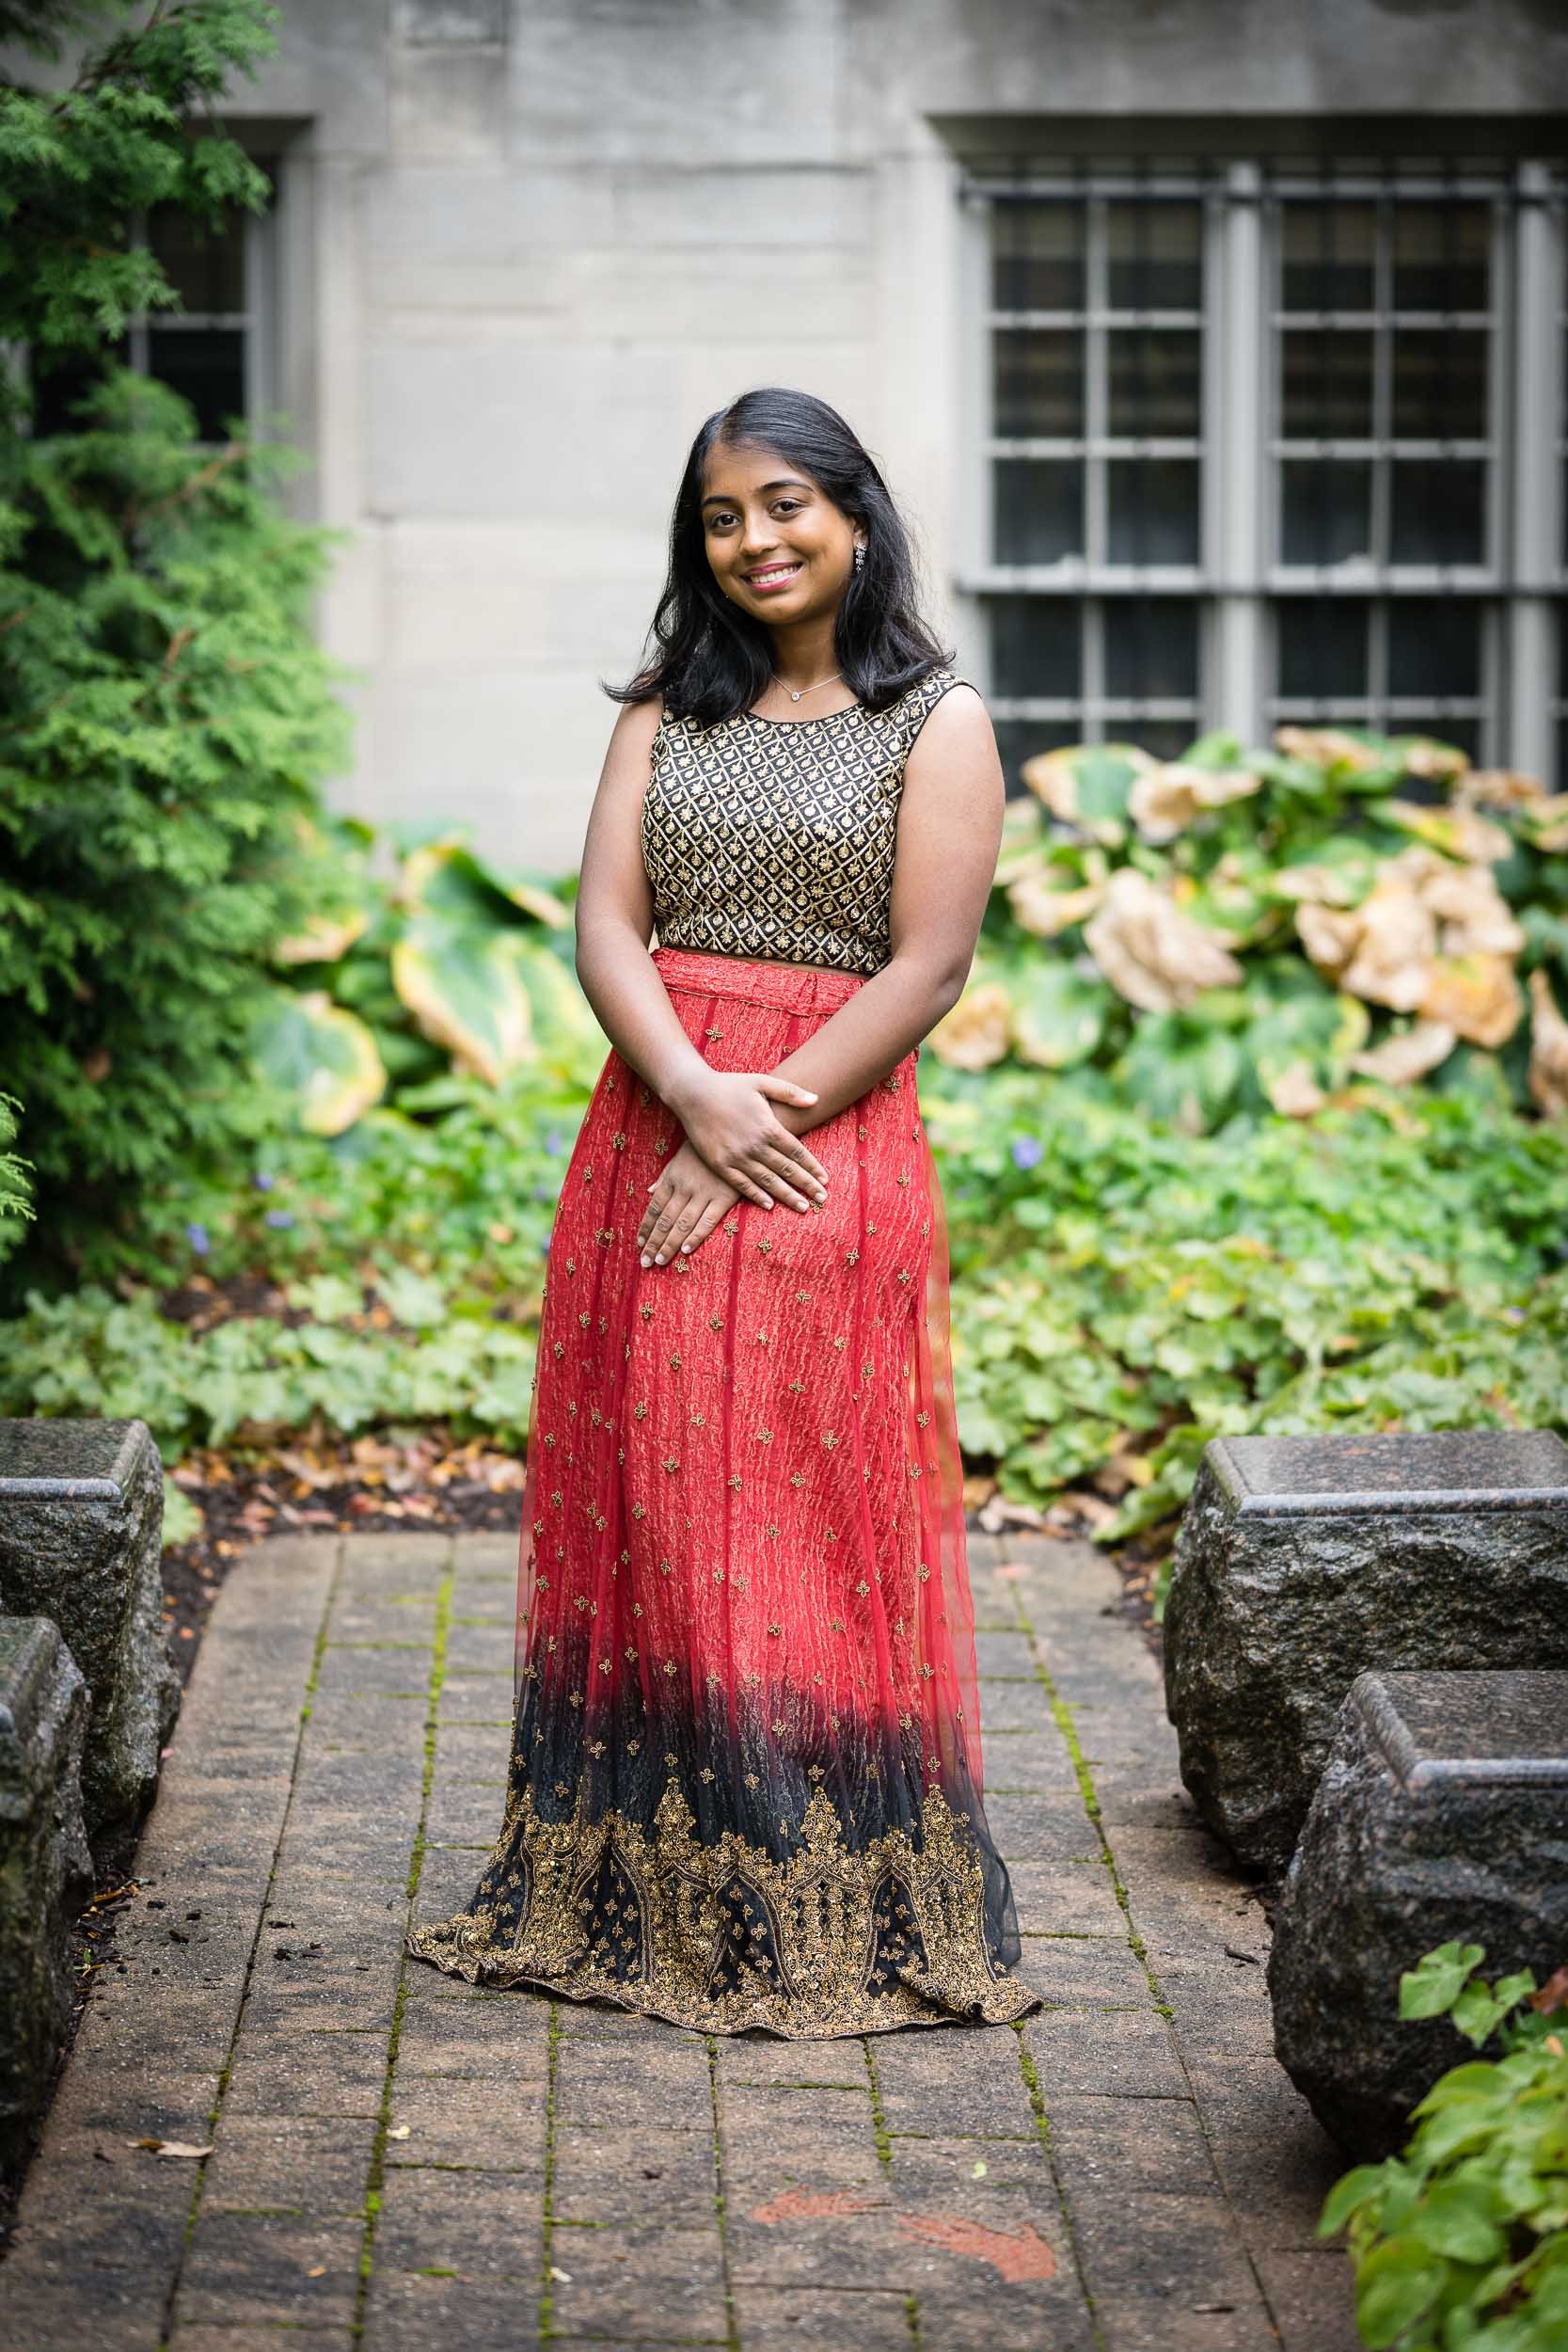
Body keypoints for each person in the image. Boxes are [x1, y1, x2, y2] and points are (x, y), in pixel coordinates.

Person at [407, 386, 1043, 2038]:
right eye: (720, 516)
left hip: (823, 1147)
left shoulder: (938, 720)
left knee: (796, 1516)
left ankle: (812, 1903)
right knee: (663, 1513)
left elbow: (931, 965)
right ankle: (638, 1896)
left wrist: (754, 1116)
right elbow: (605, 928)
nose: (754, 540)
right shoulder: (659, 713)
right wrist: (688, 1094)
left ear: (853, 515)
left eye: (784, 505)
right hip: (651, 1126)